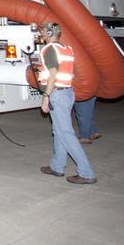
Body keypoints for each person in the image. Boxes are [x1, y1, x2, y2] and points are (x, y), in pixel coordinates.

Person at [35, 27, 97, 184]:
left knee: (66, 134)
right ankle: (57, 166)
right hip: (68, 93)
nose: (40, 34)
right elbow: (68, 71)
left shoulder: (49, 49)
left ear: (49, 34)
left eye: (43, 32)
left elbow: (54, 73)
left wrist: (46, 96)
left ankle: (86, 172)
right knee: (58, 131)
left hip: (57, 94)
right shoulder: (67, 49)